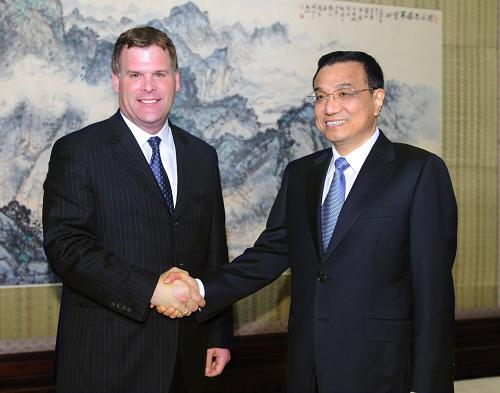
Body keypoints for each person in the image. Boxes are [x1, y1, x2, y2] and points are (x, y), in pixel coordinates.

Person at [163, 51, 457, 393]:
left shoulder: (419, 171)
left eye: (345, 93)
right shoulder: (301, 174)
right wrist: (199, 289)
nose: (330, 107)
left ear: (377, 99)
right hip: (308, 368)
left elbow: (433, 292)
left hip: (384, 372)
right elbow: (268, 255)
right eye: (320, 96)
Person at [42, 26, 232, 393]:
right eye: (135, 75)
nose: (148, 86)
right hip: (107, 360)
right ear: (116, 81)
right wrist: (149, 290)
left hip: (187, 358)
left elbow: (213, 249)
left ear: (176, 80)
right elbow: (67, 247)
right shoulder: (78, 151)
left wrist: (219, 332)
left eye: (159, 74)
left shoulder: (202, 156)